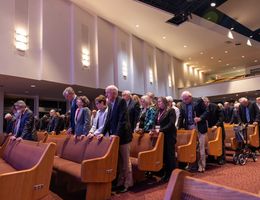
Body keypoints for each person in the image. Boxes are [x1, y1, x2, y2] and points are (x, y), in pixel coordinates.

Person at [102, 85, 133, 193]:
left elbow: (122, 120)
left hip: (123, 136)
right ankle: (120, 182)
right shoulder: (110, 104)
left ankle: (128, 183)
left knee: (125, 161)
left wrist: (116, 134)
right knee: (119, 162)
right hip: (115, 136)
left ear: (113, 93)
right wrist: (102, 133)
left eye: (107, 92)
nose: (106, 95)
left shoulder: (121, 101)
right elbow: (108, 120)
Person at [151, 97, 176, 182]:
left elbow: (171, 124)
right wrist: (153, 129)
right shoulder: (158, 111)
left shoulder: (170, 110)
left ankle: (172, 174)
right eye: (158, 102)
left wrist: (160, 130)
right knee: (164, 155)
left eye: (160, 101)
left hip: (169, 136)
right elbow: (155, 122)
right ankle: (166, 174)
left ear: (164, 102)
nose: (159, 103)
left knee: (170, 156)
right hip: (161, 136)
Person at [203, 97, 226, 164]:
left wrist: (216, 125)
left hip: (218, 128)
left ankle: (221, 159)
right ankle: (211, 158)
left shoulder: (215, 106)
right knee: (210, 143)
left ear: (207, 101)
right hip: (210, 129)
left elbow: (221, 117)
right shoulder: (204, 108)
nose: (204, 104)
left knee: (220, 144)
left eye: (204, 102)